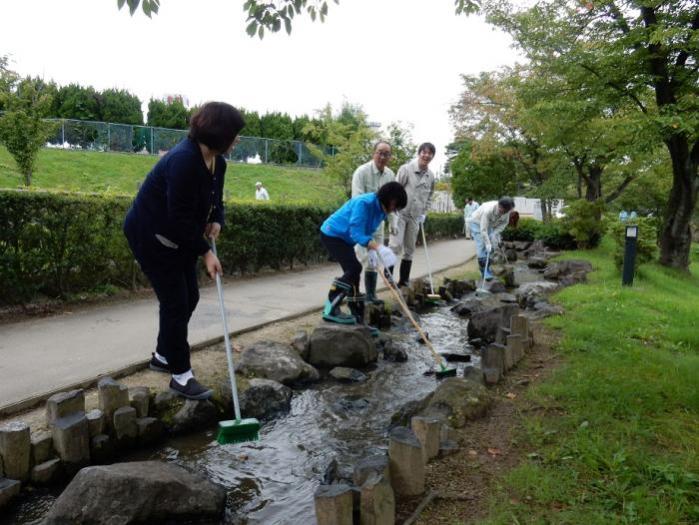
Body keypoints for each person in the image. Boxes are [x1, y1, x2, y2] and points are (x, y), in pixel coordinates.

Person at [123, 102, 244, 400]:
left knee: (190, 296)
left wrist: (217, 219)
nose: (237, 140)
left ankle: (164, 355)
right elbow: (177, 218)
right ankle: (181, 375)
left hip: (178, 237)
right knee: (176, 301)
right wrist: (206, 252)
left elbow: (216, 201)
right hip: (152, 236)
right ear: (219, 134)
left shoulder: (219, 162)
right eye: (234, 134)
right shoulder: (183, 161)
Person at [320, 182, 407, 328]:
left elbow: (367, 231)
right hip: (332, 234)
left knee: (354, 274)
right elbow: (356, 232)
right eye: (395, 206)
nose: (394, 210)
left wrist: (372, 250)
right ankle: (331, 306)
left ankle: (358, 317)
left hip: (345, 238)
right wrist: (378, 247)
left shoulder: (381, 210)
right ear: (391, 200)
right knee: (354, 269)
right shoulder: (364, 203)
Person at [351, 141, 395, 304]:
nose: (382, 157)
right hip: (361, 224)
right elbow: (357, 200)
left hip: (378, 224)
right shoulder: (361, 172)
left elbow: (392, 202)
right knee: (360, 258)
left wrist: (393, 222)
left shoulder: (390, 175)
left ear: (390, 157)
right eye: (380, 152)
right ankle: (355, 294)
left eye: (386, 154)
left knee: (374, 259)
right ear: (373, 153)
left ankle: (371, 294)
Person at [388, 142, 436, 287]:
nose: (426, 155)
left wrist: (424, 213)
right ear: (419, 153)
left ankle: (404, 280)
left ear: (432, 156)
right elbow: (395, 189)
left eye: (430, 153)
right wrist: (393, 210)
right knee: (395, 245)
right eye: (424, 152)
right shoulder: (406, 169)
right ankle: (388, 276)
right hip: (400, 214)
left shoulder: (431, 176)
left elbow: (429, 197)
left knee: (410, 249)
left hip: (416, 217)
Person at [468, 197, 515, 281]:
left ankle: (488, 267)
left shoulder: (506, 211)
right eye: (503, 211)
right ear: (500, 206)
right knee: (482, 245)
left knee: (492, 245)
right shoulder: (488, 210)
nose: (504, 213)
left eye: (507, 211)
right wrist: (487, 243)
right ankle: (484, 271)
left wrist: (494, 233)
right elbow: (483, 230)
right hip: (476, 223)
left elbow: (504, 223)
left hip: (490, 225)